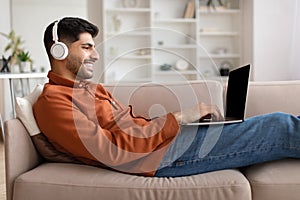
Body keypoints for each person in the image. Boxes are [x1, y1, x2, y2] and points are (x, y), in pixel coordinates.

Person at [33, 17, 300, 177]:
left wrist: (177, 124)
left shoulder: (90, 89)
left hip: (161, 145)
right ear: (59, 51)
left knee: (269, 123)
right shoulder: (53, 102)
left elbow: (132, 128)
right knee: (277, 125)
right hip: (159, 157)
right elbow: (110, 150)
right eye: (87, 47)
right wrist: (179, 117)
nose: (96, 55)